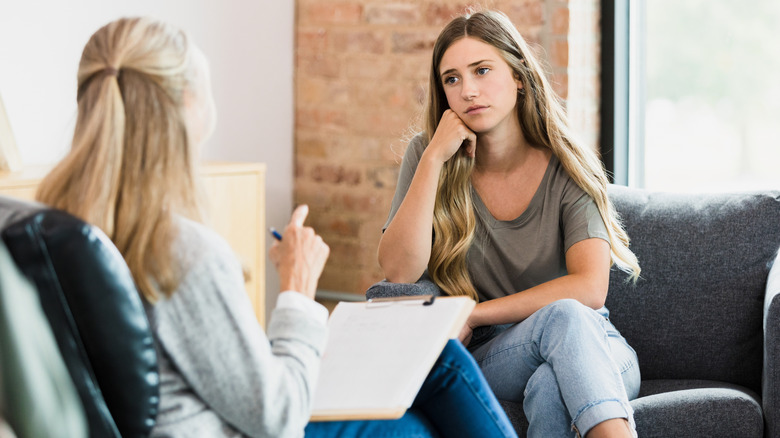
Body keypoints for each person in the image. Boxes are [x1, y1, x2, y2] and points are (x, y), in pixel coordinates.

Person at [35, 17, 517, 438]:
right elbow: (278, 417)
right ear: (186, 104)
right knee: (424, 415)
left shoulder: (56, 227)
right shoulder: (178, 251)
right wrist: (297, 290)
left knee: (438, 361)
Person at [378, 9, 642, 438]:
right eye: (452, 79)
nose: (468, 90)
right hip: (498, 353)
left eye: (482, 70)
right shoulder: (428, 156)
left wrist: (474, 313)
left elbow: (589, 289)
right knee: (562, 323)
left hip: (596, 344)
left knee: (552, 376)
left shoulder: (567, 164)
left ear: (519, 75)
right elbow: (399, 271)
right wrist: (432, 160)